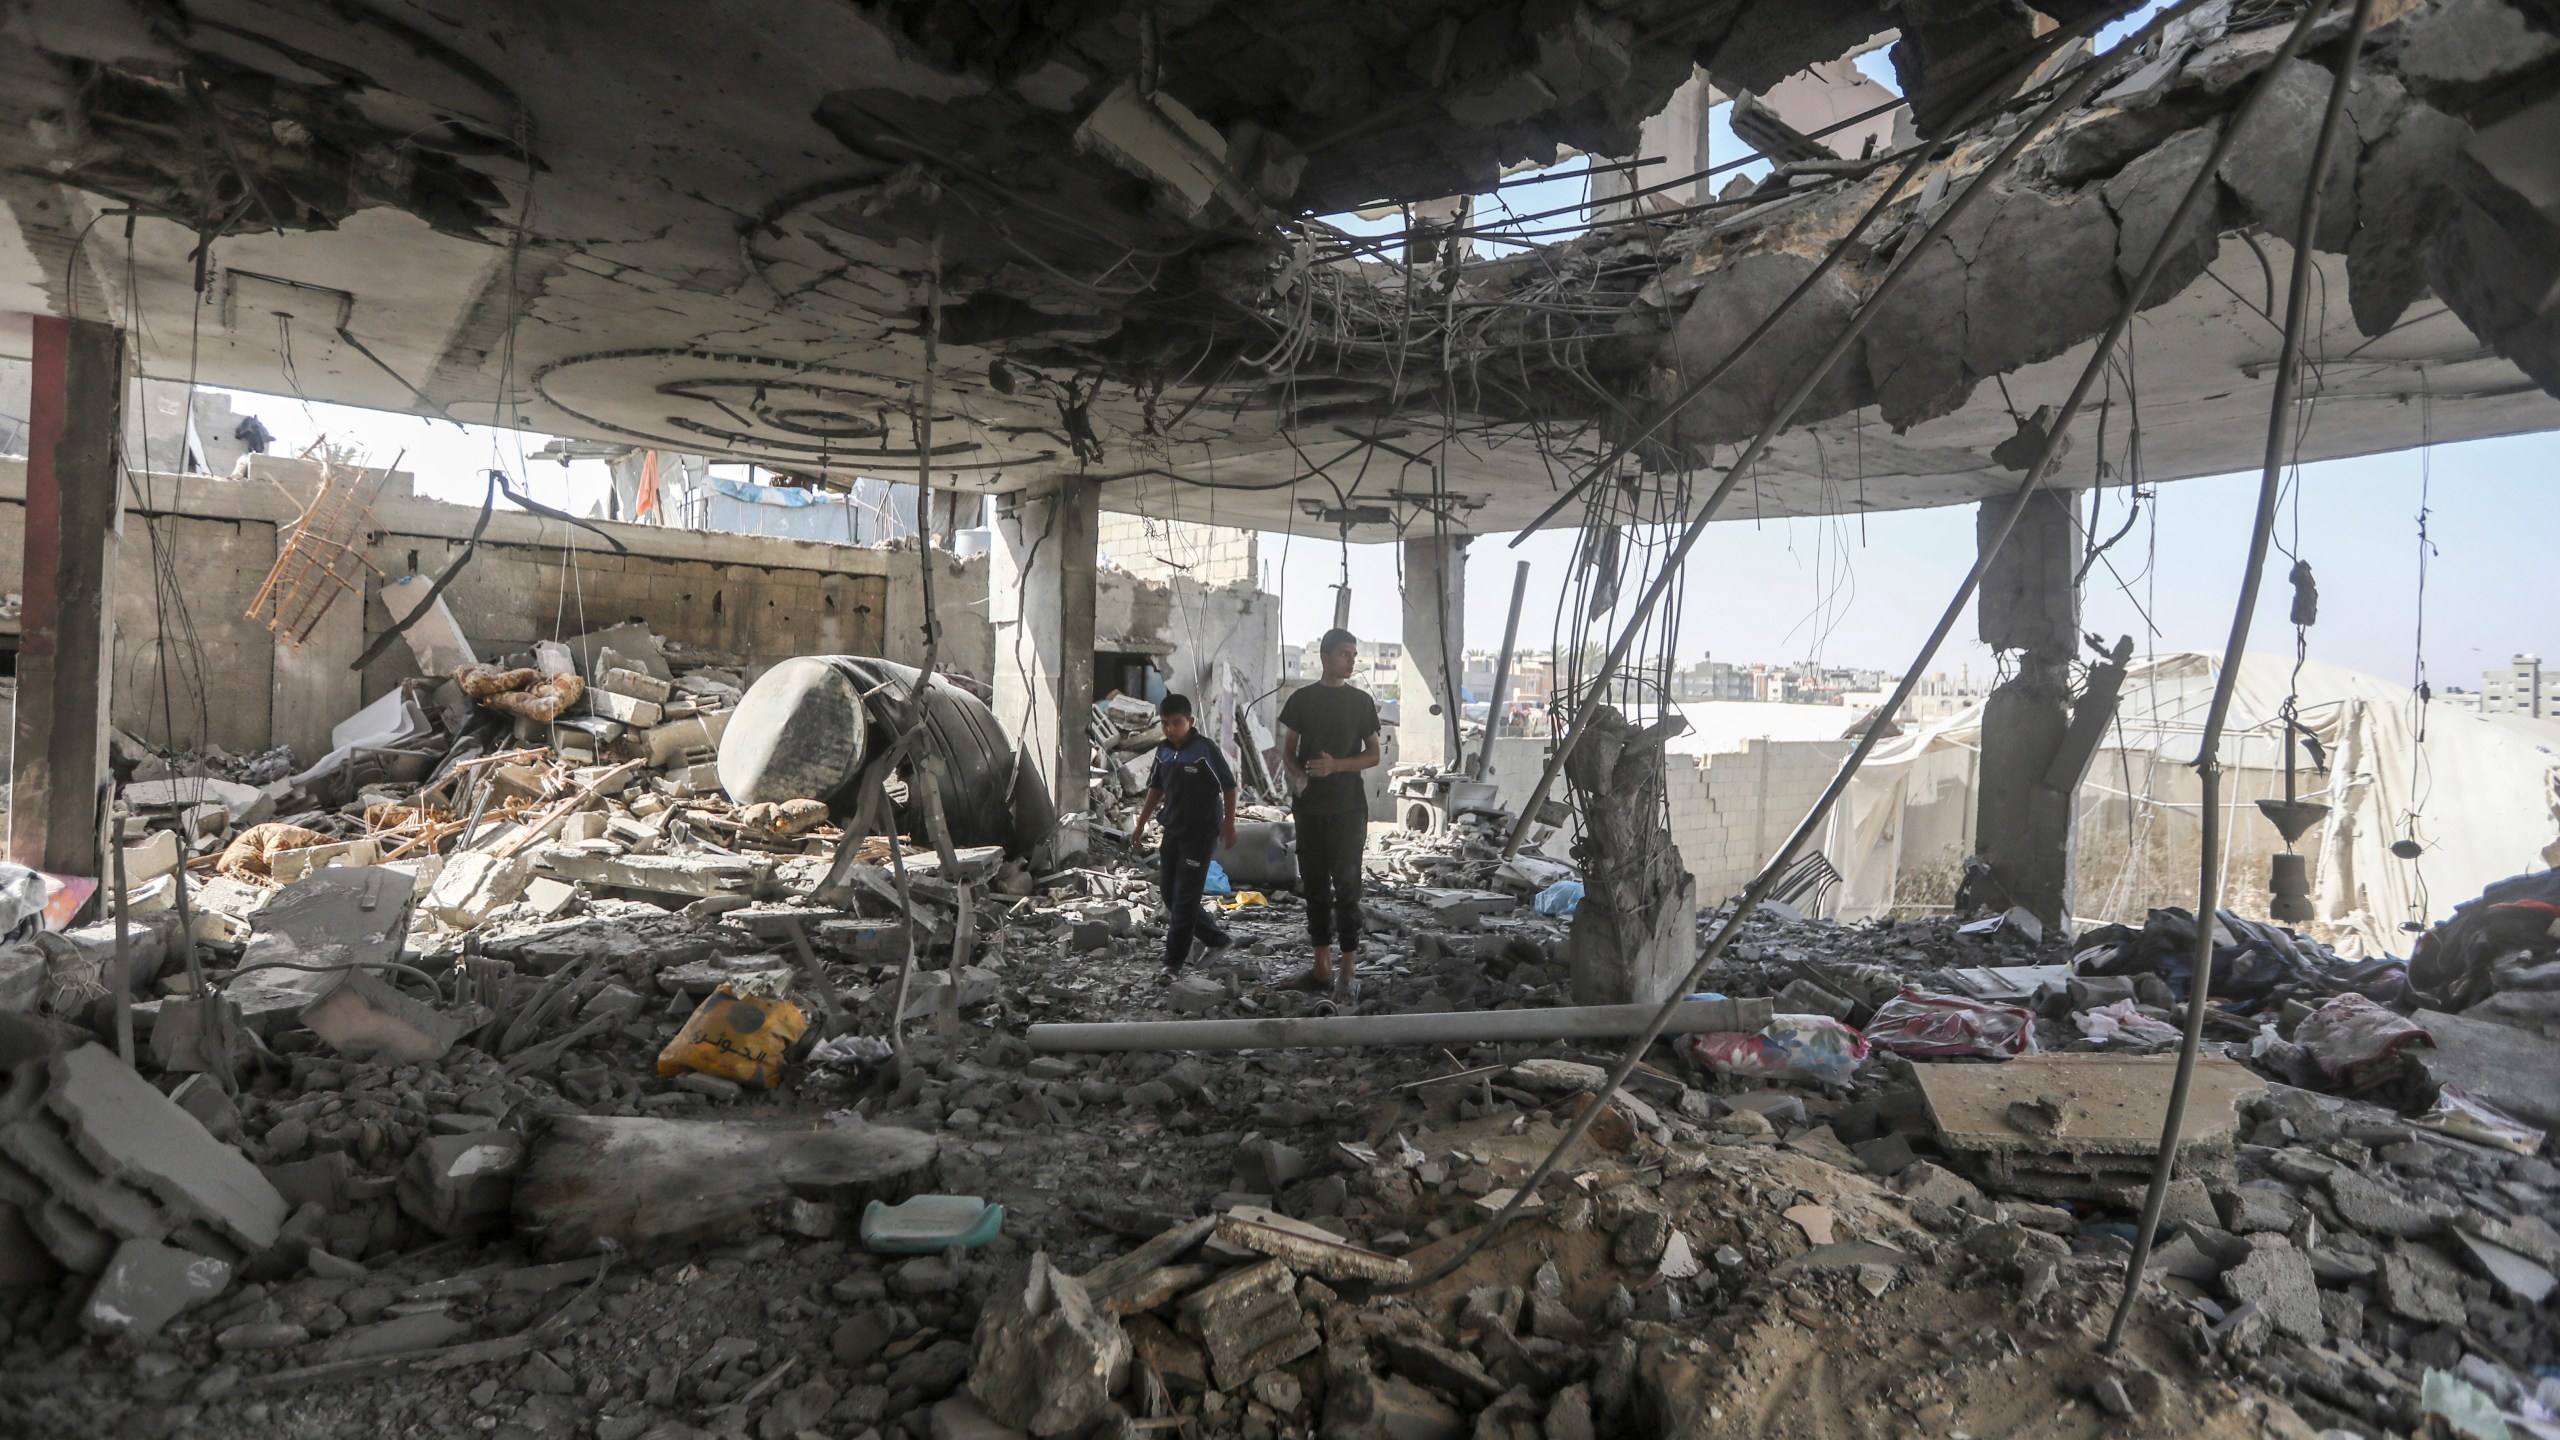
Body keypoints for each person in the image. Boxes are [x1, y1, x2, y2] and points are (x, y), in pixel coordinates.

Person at [1276, 628, 1382, 999]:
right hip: (1309, 807)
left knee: (1348, 889)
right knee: (1316, 887)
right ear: (1325, 656)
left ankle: (1347, 973)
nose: (1351, 660)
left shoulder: (1360, 702)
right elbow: (1287, 751)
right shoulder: (1302, 700)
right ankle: (1321, 967)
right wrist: (1299, 775)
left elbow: (1373, 755)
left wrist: (1336, 765)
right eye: (1344, 653)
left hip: (1348, 808)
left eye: (1354, 653)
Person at [1131, 693, 1238, 975]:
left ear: (1189, 721)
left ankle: (1172, 963)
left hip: (1201, 832)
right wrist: (1141, 824)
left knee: (1186, 898)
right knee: (1169, 893)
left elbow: (1228, 786)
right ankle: (1217, 939)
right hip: (1174, 829)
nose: (1169, 729)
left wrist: (1229, 824)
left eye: (1176, 723)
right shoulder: (1164, 751)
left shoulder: (1204, 750)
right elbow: (1155, 788)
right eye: (1164, 723)